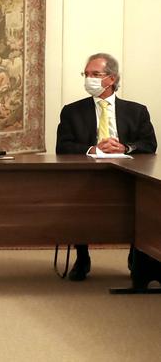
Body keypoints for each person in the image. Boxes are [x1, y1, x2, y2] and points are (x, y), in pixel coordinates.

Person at [56, 53, 157, 281]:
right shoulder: (71, 111)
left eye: (95, 74)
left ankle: (138, 257)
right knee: (80, 206)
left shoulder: (136, 111)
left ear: (111, 78)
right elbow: (62, 146)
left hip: (128, 175)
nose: (88, 79)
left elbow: (149, 144)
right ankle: (82, 257)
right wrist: (93, 149)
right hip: (86, 177)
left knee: (142, 204)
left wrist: (124, 147)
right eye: (86, 74)